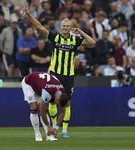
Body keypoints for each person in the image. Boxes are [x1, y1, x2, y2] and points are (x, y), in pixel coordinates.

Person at [23, 4, 95, 138]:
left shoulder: (75, 40)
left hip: (69, 75)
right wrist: (30, 16)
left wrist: (80, 32)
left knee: (67, 103)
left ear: (70, 27)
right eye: (64, 26)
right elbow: (39, 27)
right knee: (51, 101)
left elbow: (92, 42)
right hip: (55, 75)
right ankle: (54, 125)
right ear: (60, 27)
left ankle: (64, 131)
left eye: (68, 26)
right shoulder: (54, 37)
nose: (66, 28)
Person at [21, 72, 69, 141]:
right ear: (56, 99)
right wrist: (49, 126)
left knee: (45, 109)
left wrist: (56, 128)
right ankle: (37, 134)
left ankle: (48, 135)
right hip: (29, 83)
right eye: (57, 104)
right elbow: (42, 112)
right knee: (34, 108)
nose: (56, 105)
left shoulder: (62, 94)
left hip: (41, 85)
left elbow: (62, 112)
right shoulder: (47, 94)